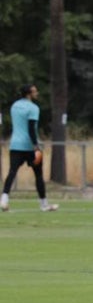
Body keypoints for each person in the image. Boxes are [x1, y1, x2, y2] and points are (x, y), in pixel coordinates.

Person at [1, 84, 58, 212]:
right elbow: (31, 128)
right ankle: (43, 204)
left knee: (12, 172)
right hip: (30, 147)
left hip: (15, 144)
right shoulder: (33, 108)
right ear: (29, 94)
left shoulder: (14, 106)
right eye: (34, 91)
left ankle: (4, 200)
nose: (37, 93)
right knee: (38, 175)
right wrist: (36, 146)